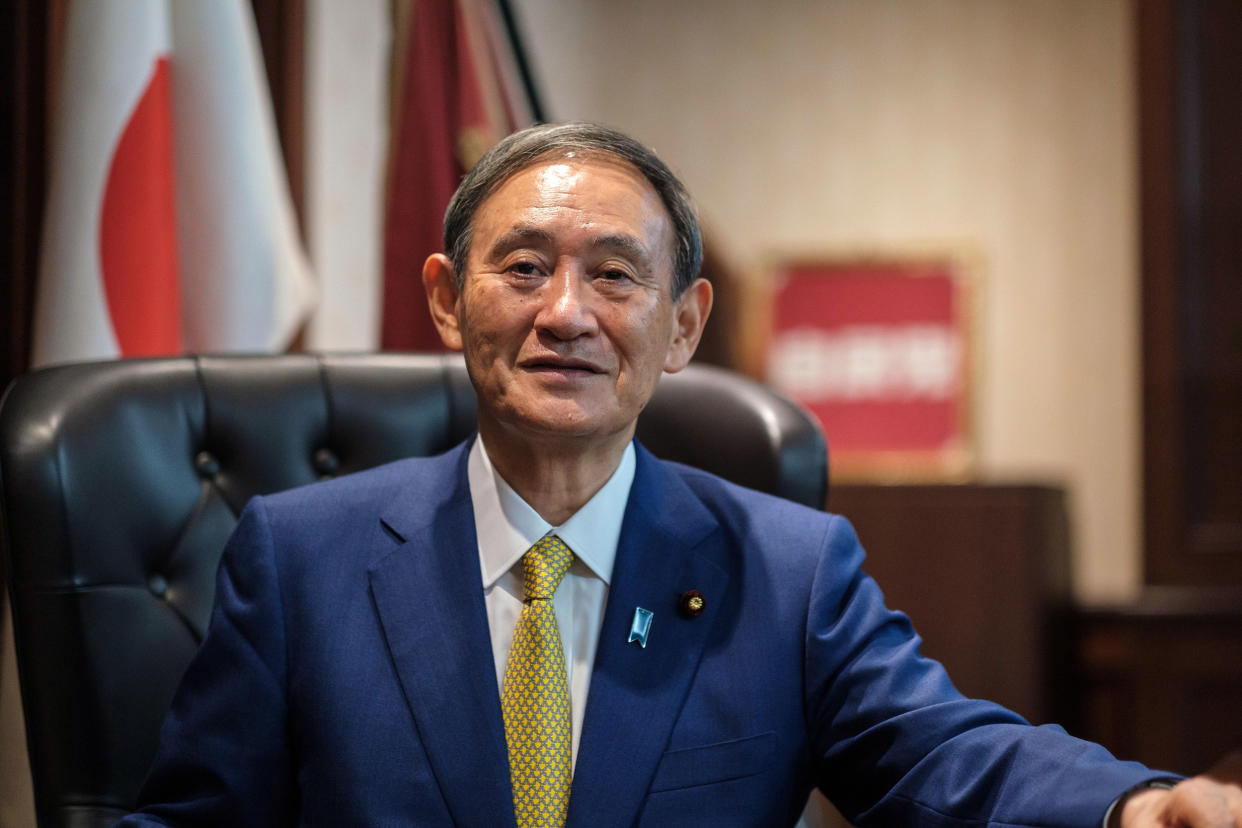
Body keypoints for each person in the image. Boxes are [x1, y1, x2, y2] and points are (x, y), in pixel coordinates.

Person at [120, 123, 1242, 827]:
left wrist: (1136, 806)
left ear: (685, 325)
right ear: (446, 299)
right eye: (522, 268)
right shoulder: (301, 556)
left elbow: (945, 758)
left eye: (615, 276)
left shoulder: (790, 572)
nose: (567, 314)